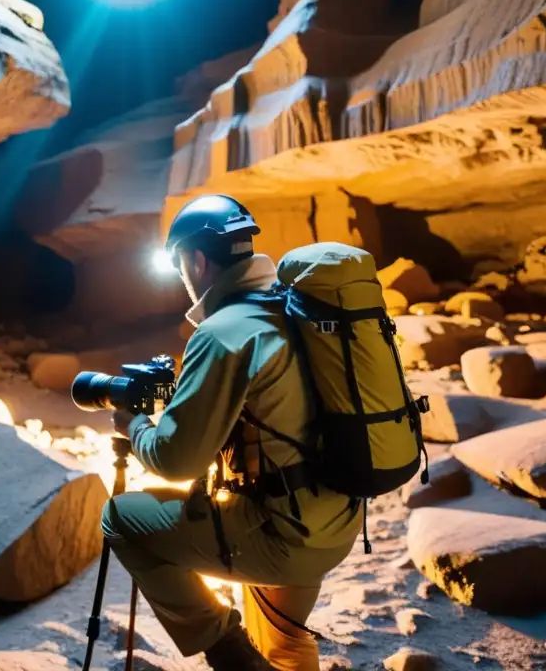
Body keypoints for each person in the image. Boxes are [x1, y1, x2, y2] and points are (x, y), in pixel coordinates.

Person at [101, 194, 362, 671]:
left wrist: (133, 425)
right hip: (338, 522)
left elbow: (176, 461)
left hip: (285, 536)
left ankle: (229, 653)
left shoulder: (221, 331)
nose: (182, 277)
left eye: (179, 265)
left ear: (197, 261)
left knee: (120, 519)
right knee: (282, 640)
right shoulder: (294, 310)